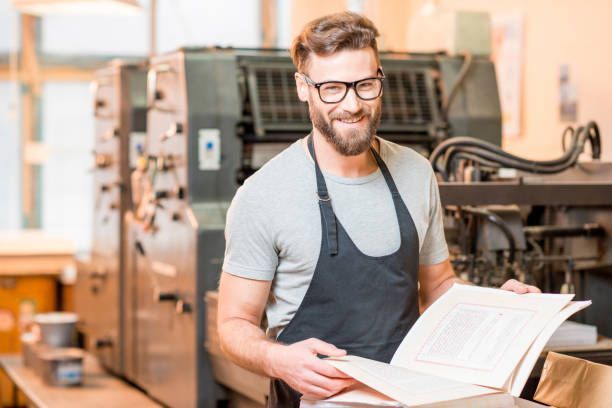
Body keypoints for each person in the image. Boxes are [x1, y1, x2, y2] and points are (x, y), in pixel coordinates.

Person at [217, 11, 540, 408]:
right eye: (332, 88)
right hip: (314, 401)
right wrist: (279, 359)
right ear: (303, 87)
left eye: (366, 85)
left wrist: (498, 307)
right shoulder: (263, 195)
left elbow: (438, 286)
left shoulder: (416, 173)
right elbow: (233, 325)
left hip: (409, 395)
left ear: (380, 78)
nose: (352, 104)